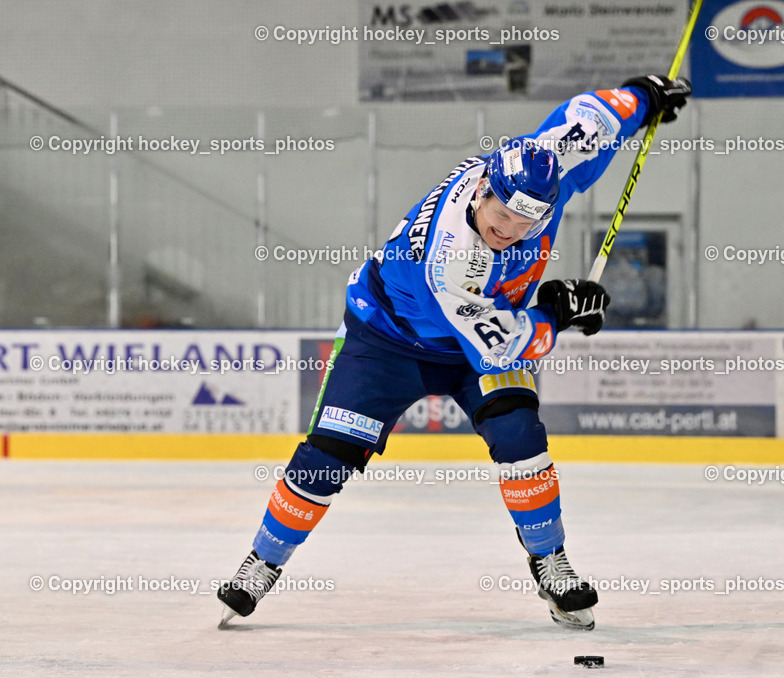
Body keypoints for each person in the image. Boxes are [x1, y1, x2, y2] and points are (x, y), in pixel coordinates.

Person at [217, 75, 692, 631]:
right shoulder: (450, 264)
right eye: (501, 217)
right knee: (328, 457)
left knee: (519, 436)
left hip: (479, 331)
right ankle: (261, 563)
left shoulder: (542, 165)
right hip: (388, 341)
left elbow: (595, 114)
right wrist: (559, 315)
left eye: (526, 224)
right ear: (482, 191)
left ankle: (551, 561)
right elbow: (509, 341)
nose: (508, 232)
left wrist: (643, 95)